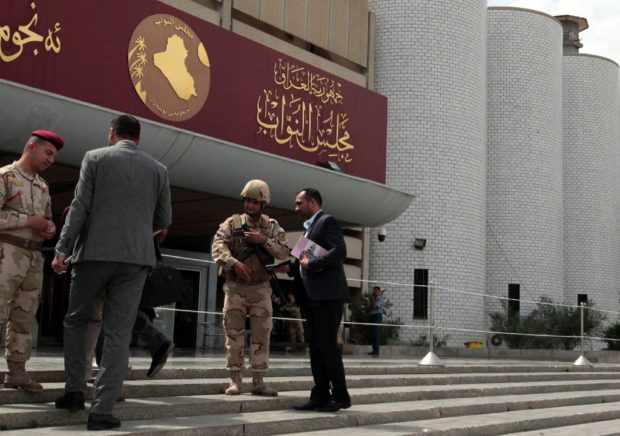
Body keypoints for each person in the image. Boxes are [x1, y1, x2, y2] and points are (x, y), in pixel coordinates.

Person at [51, 114, 171, 431]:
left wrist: (62, 249)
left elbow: (79, 207)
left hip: (93, 253)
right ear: (138, 139)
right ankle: (102, 411)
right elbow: (163, 219)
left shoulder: (95, 158)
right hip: (135, 260)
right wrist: (136, 233)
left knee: (77, 320)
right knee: (118, 333)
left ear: (112, 133)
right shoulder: (159, 170)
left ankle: (74, 392)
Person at [211, 179, 289, 396]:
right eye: (247, 201)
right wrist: (233, 263)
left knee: (261, 335)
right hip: (235, 288)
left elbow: (283, 252)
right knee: (233, 335)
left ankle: (258, 381)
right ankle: (235, 380)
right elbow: (217, 247)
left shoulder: (272, 226)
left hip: (261, 288)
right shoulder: (232, 223)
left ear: (263, 203)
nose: (250, 206)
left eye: (255, 202)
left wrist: (263, 240)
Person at [0, 130, 63, 392]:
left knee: (24, 318)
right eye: (48, 152)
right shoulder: (5, 176)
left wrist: (50, 228)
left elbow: (46, 218)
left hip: (33, 257)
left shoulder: (42, 186)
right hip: (6, 254)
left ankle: (17, 372)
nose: (51, 160)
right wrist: (26, 221)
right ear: (31, 147)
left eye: (54, 156)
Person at [291, 188, 351, 412]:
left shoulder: (327, 222)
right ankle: (320, 396)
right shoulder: (308, 228)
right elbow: (302, 259)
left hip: (328, 296)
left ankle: (341, 396)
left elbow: (339, 251)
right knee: (316, 348)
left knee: (327, 347)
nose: (296, 208)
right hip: (312, 296)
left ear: (313, 202)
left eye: (300, 203)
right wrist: (290, 267)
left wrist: (312, 264)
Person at [368, 286, 385, 357]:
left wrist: (372, 302)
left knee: (376, 334)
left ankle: (377, 351)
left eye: (377, 291)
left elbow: (375, 307)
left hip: (377, 316)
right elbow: (369, 307)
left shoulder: (380, 299)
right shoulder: (373, 299)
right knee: (372, 334)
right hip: (372, 316)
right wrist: (372, 302)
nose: (375, 292)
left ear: (379, 292)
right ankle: (374, 350)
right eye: (374, 291)